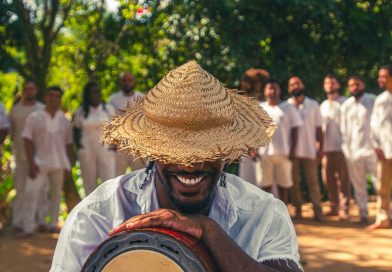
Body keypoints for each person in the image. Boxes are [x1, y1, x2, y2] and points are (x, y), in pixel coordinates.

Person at [51, 61, 302, 272]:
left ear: (227, 150)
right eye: (175, 150)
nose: (191, 165)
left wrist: (210, 231)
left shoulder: (264, 213)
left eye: (207, 147)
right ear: (153, 151)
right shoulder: (97, 215)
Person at [18, 86, 73, 236]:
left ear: (60, 99)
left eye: (56, 96)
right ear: (45, 97)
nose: (53, 98)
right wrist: (31, 163)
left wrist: (69, 165)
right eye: (50, 95)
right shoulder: (34, 117)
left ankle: (53, 224)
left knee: (56, 194)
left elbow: (69, 144)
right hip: (38, 162)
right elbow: (27, 140)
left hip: (59, 163)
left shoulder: (64, 119)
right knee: (31, 193)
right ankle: (28, 227)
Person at [9, 81, 45, 232]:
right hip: (20, 156)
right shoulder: (15, 110)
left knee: (41, 190)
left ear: (36, 90)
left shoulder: (42, 109)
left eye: (32, 88)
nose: (29, 91)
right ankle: (18, 223)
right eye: (26, 89)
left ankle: (41, 221)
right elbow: (12, 133)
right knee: (21, 189)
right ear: (23, 91)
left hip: (41, 157)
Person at [260, 79, 303, 204]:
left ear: (279, 91)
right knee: (265, 184)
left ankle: (283, 211)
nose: (272, 91)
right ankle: (267, 212)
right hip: (264, 153)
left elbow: (296, 129)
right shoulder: (259, 108)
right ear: (265, 91)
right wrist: (252, 149)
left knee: (283, 184)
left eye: (275, 88)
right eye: (269, 88)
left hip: (284, 152)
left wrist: (293, 150)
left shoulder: (288, 108)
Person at [341, 76, 376, 224]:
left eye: (357, 84)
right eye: (351, 85)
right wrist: (347, 150)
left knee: (379, 183)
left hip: (372, 149)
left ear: (363, 84)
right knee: (359, 185)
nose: (354, 87)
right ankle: (363, 213)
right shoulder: (346, 105)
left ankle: (387, 213)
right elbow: (344, 130)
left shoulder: (372, 100)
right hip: (353, 151)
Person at [287, 76, 323, 221]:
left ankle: (318, 211)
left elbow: (319, 128)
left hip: (310, 150)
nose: (295, 86)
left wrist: (320, 147)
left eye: (297, 83)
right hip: (291, 151)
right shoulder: (286, 106)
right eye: (292, 85)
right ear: (289, 89)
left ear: (303, 85)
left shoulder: (313, 104)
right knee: (294, 182)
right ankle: (298, 211)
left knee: (313, 182)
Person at [74, 81, 116, 195]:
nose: (96, 94)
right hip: (87, 151)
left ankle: (110, 211)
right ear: (87, 95)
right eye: (92, 92)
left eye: (98, 92)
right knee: (89, 183)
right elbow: (76, 130)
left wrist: (114, 145)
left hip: (105, 150)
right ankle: (90, 211)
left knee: (109, 181)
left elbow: (116, 129)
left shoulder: (108, 109)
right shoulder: (81, 111)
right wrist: (79, 147)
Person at [320, 74, 350, 220]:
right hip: (326, 149)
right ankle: (333, 206)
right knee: (328, 179)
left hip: (342, 147)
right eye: (327, 83)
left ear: (338, 85)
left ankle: (344, 209)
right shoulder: (323, 105)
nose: (330, 85)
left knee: (343, 180)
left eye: (333, 83)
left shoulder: (345, 103)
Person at [368, 65, 392, 230]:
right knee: (382, 186)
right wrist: (376, 146)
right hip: (385, 150)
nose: (380, 80)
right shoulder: (380, 100)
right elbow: (374, 125)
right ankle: (383, 218)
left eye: (383, 76)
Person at [108, 71, 145, 175]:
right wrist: (112, 141)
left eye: (130, 80)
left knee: (140, 176)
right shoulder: (112, 99)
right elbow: (109, 122)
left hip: (138, 145)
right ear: (120, 82)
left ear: (134, 82)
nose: (127, 83)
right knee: (117, 178)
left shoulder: (142, 98)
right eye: (124, 81)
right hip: (119, 145)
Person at [238, 68, 270, 187]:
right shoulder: (244, 102)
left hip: (265, 147)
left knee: (265, 181)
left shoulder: (268, 101)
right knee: (248, 181)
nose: (257, 85)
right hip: (247, 146)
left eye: (259, 82)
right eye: (254, 82)